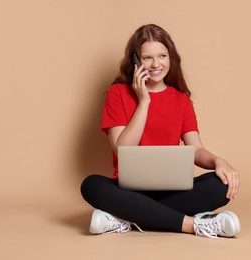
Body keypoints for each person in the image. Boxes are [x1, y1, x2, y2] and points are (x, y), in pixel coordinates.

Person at [80, 24, 240, 239]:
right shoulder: (117, 93)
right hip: (128, 190)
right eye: (147, 58)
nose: (156, 64)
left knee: (220, 185)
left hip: (171, 190)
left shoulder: (181, 100)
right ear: (135, 60)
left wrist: (219, 161)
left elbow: (196, 149)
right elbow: (123, 150)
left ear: (170, 57)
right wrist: (144, 101)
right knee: (92, 185)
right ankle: (194, 225)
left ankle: (124, 217)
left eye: (162, 56)